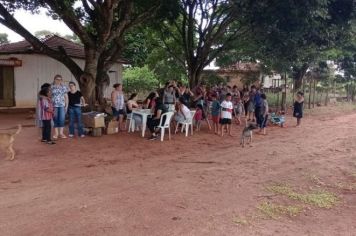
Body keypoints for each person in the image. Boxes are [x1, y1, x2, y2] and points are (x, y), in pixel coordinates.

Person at [51, 74, 68, 139]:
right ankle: (56, 133)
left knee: (62, 119)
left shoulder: (64, 87)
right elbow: (49, 96)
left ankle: (61, 133)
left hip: (62, 106)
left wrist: (66, 106)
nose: (59, 80)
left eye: (60, 79)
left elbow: (66, 97)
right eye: (57, 79)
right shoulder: (51, 87)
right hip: (54, 106)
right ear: (54, 79)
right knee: (55, 119)